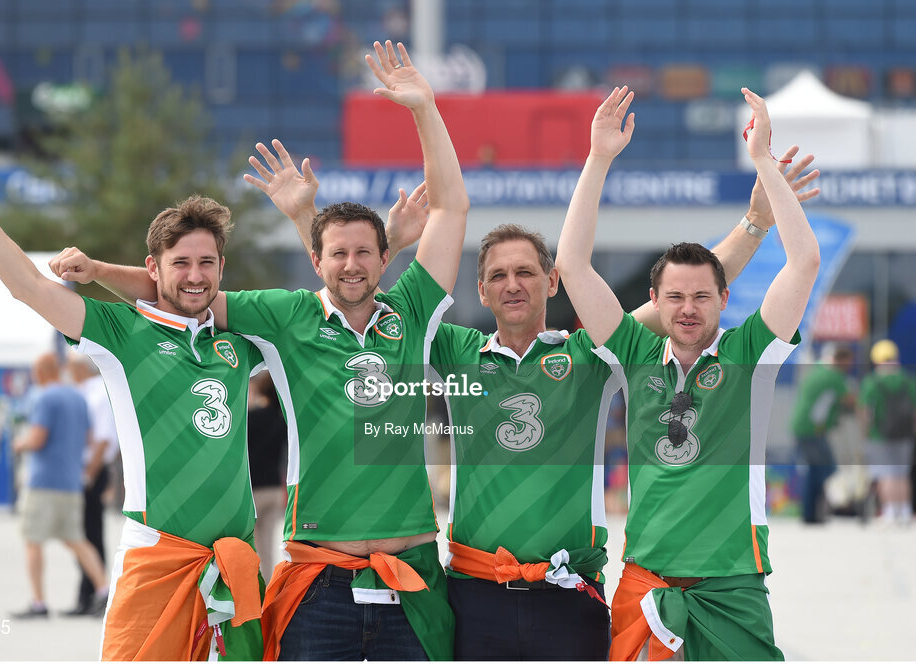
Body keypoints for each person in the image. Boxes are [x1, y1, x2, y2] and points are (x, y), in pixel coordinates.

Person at [241, 112, 818, 661]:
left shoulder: (589, 356)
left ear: (553, 280)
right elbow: (360, 301)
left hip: (568, 594)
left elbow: (685, 298)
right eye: (497, 275)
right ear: (481, 291)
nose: (512, 284)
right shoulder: (454, 350)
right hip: (474, 595)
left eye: (525, 272)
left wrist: (754, 225)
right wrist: (327, 224)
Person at [53, 41, 468, 661]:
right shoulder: (287, 317)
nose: (351, 264)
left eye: (365, 252)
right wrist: (97, 271)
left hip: (413, 580)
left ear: (388, 257)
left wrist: (424, 108)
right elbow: (185, 291)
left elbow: (451, 206)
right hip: (318, 583)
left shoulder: (412, 312)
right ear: (317, 260)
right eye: (338, 253)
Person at [0, 148, 265, 659]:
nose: (195, 275)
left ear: (222, 267)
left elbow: (329, 305)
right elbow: (30, 287)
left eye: (206, 263)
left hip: (236, 564)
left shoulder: (241, 339)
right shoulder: (121, 332)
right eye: (180, 263)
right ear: (153, 269)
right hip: (157, 558)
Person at [555, 86, 821, 660]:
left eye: (702, 296)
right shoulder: (634, 353)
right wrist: (598, 158)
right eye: (674, 297)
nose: (688, 309)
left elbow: (805, 262)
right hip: (645, 583)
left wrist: (762, 161)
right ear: (654, 300)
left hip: (733, 584)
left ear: (724, 298)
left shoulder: (750, 355)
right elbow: (571, 265)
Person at [11, 352, 110, 619]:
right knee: (77, 540)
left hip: (43, 482)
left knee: (32, 541)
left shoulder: (45, 398)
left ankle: (38, 603)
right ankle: (104, 590)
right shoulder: (78, 397)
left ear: (40, 372)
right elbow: (89, 439)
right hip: (71, 482)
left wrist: (20, 443)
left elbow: (37, 439)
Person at [64, 350, 120, 616]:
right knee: (84, 533)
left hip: (91, 471)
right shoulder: (87, 390)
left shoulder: (98, 392)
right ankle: (86, 596)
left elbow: (104, 439)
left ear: (81, 368)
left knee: (91, 534)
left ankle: (98, 596)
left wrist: (88, 474)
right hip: (85, 469)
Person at [790, 345, 854, 524]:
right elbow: (850, 400)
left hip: (803, 427)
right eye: (849, 362)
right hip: (812, 430)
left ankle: (810, 514)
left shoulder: (818, 370)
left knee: (814, 470)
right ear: (841, 360)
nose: (850, 367)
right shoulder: (834, 376)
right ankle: (821, 512)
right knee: (824, 470)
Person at [859, 339, 916, 525]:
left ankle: (890, 512)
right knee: (902, 474)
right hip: (905, 434)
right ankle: (905, 511)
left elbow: (866, 412)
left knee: (886, 474)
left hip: (879, 435)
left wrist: (864, 433)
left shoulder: (872, 382)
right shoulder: (908, 380)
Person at [246, 372, 288, 581]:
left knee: (251, 544)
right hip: (274, 490)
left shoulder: (252, 417)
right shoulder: (282, 420)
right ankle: (269, 584)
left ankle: (252, 587)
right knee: (268, 544)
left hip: (252, 490)